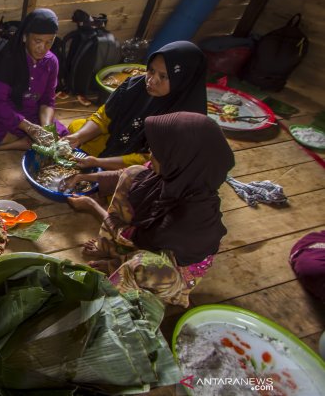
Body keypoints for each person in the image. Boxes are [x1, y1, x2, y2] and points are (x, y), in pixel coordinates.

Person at [63, 112, 234, 307]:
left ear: (177, 160)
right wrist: (85, 176)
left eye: (157, 152)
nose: (151, 154)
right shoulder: (178, 176)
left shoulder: (192, 219)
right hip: (144, 243)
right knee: (133, 173)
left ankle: (111, 298)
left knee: (143, 265)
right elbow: (123, 176)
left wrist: (93, 206)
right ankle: (113, 253)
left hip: (169, 276)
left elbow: (140, 240)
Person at [65, 40, 208, 170]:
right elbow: (104, 117)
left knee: (124, 187)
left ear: (183, 80)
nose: (151, 81)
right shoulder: (136, 85)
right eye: (151, 70)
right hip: (118, 140)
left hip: (146, 166)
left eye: (163, 77)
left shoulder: (185, 121)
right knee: (76, 128)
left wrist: (98, 163)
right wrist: (78, 137)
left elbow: (147, 160)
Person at [0, 9, 68, 157]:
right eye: (38, 41)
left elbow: (47, 100)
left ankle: (20, 143)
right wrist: (29, 128)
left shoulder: (51, 62)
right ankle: (21, 142)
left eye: (49, 42)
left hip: (31, 111)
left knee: (61, 137)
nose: (43, 48)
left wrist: (46, 128)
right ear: (25, 37)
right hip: (3, 110)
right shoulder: (9, 59)